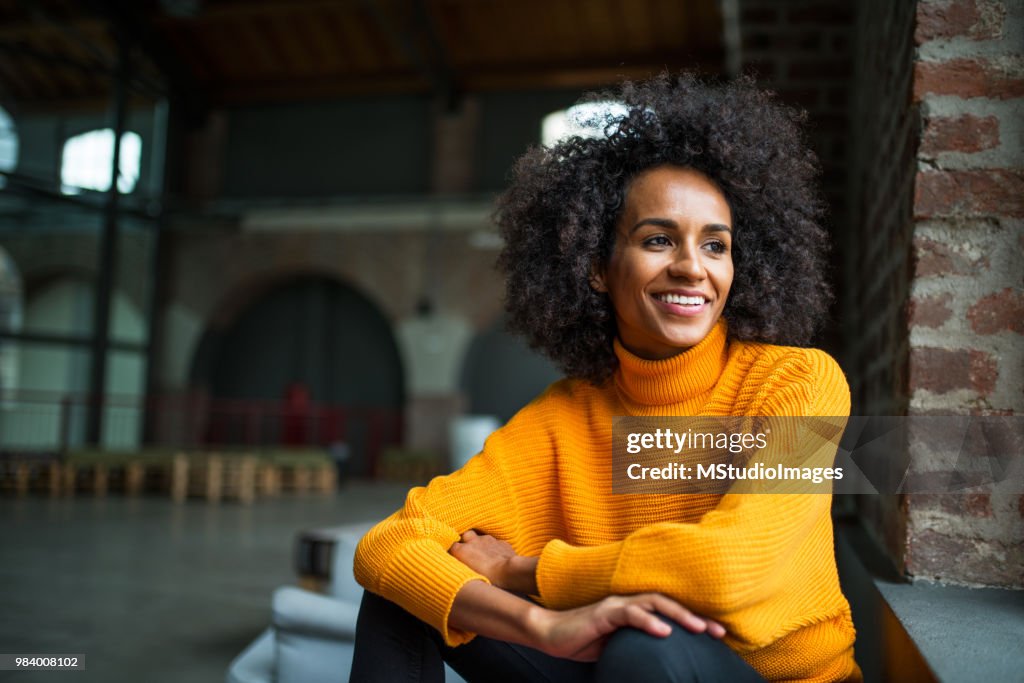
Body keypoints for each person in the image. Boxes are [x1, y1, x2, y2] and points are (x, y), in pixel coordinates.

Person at [350, 73, 860, 682]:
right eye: (658, 239)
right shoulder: (564, 417)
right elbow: (390, 543)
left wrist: (524, 574)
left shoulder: (799, 383)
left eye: (716, 246)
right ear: (596, 267)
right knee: (407, 591)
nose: (691, 268)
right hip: (614, 665)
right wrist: (543, 626)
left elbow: (729, 570)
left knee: (646, 643)